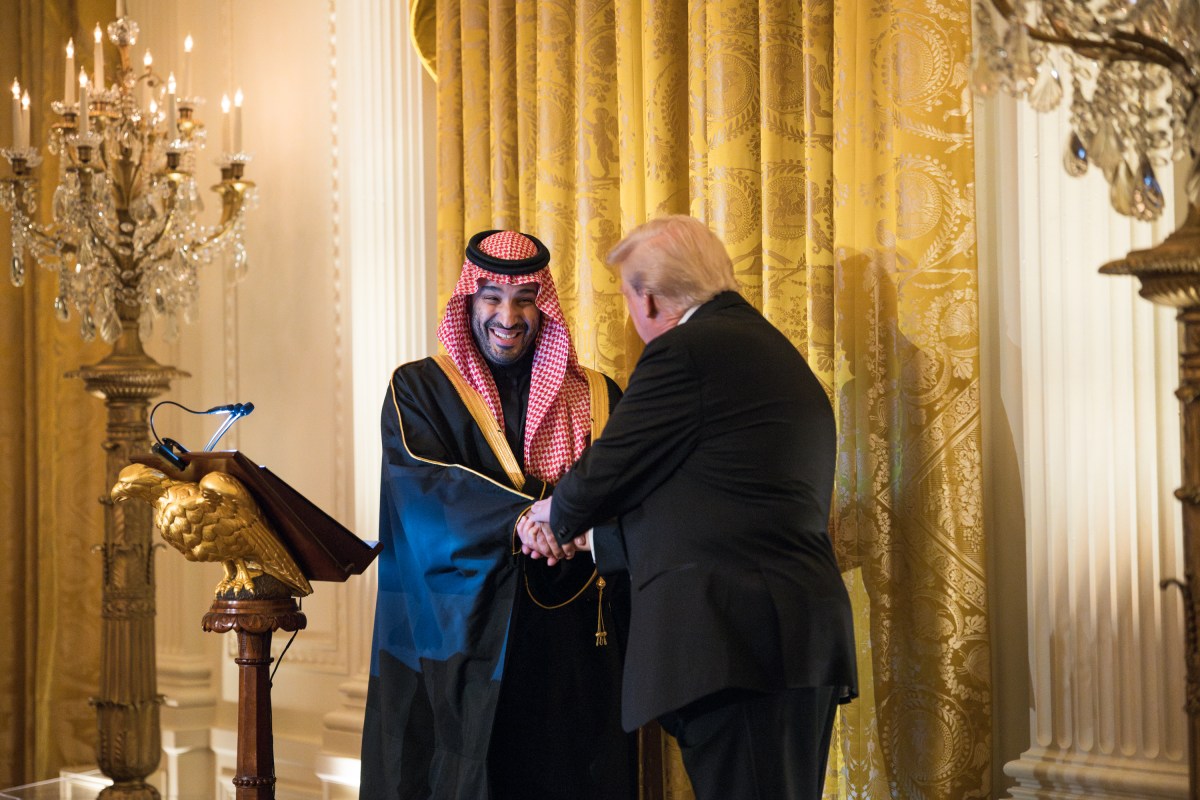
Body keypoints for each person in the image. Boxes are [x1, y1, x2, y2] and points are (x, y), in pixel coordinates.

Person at [523, 215, 857, 800]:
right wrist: (596, 541)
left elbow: (612, 466)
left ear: (649, 298)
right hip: (791, 640)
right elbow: (713, 506)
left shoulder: (687, 352)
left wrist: (550, 515)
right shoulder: (762, 346)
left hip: (740, 648)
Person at [360, 230, 636, 800]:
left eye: (524, 300)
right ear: (469, 301)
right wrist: (533, 518)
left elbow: (627, 491)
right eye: (491, 298)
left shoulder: (599, 395)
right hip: (466, 643)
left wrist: (558, 522)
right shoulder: (420, 390)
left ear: (544, 307)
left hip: (575, 646)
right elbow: (425, 490)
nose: (508, 317)